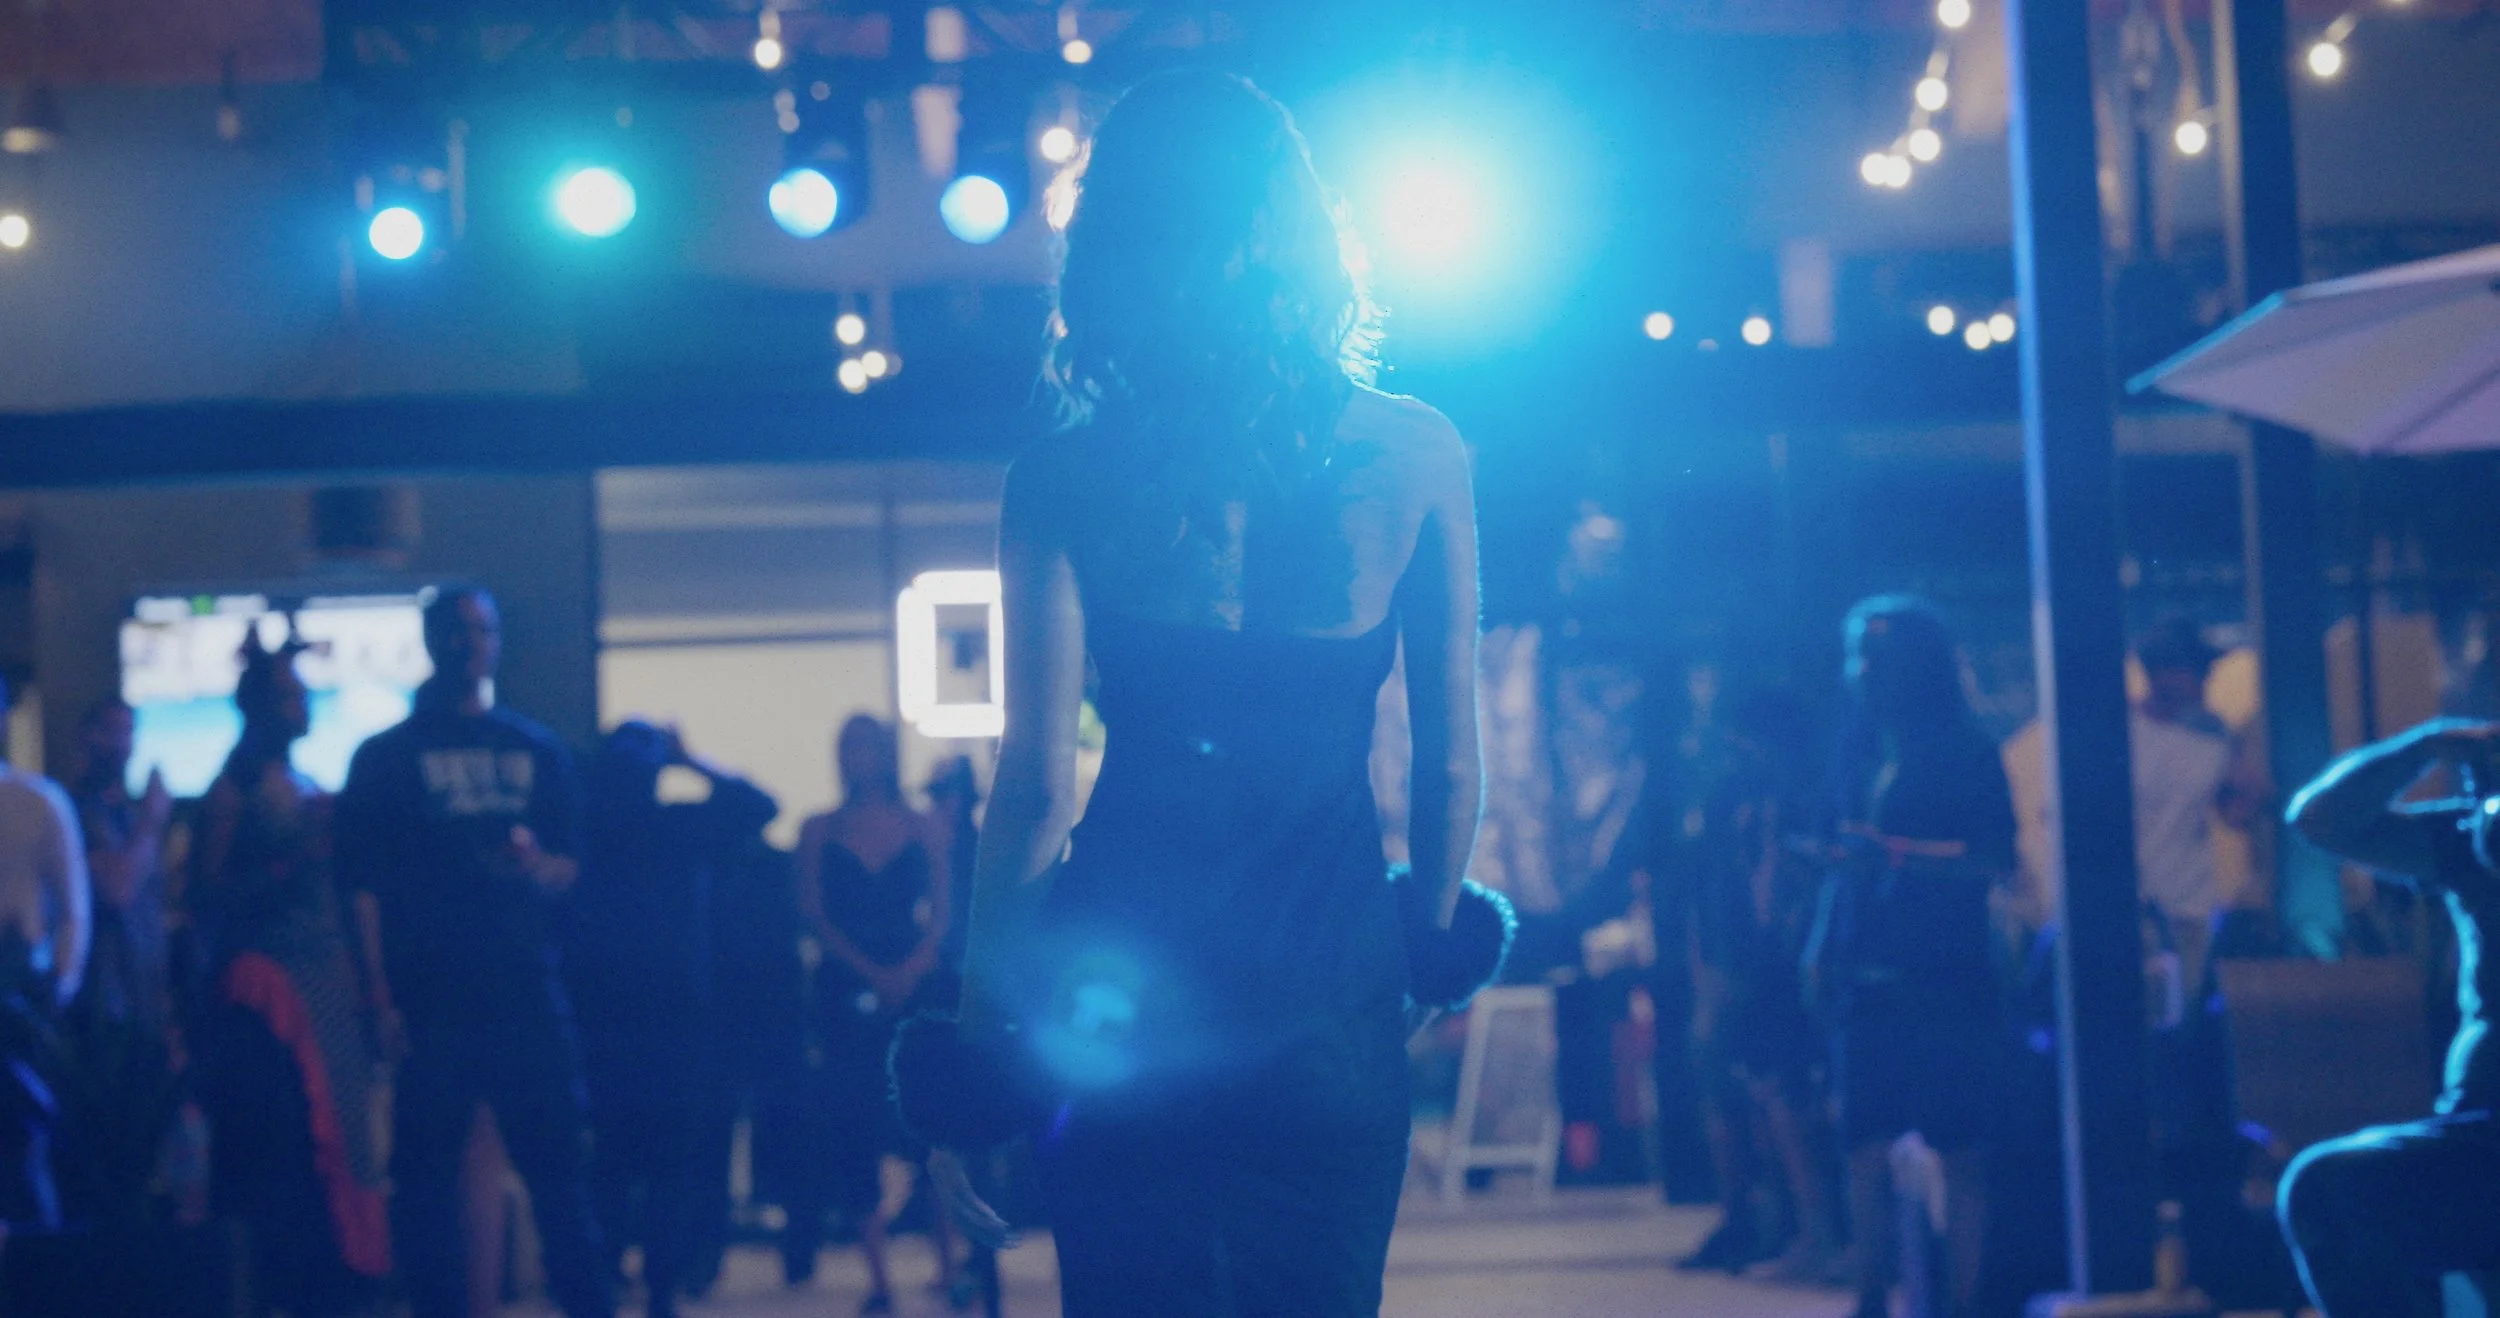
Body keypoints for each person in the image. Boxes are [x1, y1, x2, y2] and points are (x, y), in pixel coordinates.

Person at [901, 71, 1501, 1317]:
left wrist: (978, 1057)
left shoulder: (1062, 478)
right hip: (1328, 992)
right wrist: (1421, 964)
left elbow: (1034, 790)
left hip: (1126, 1010)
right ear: (1300, 230)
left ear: (1113, 243)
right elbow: (1446, 761)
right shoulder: (1418, 451)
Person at [333, 587, 611, 1318]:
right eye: (455, 631)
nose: (470, 644)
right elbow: (363, 889)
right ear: (431, 641)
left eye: (482, 630)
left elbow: (573, 869)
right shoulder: (387, 757)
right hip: (435, 996)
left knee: (560, 1173)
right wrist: (379, 996)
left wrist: (533, 867)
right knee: (423, 1183)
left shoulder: (535, 748)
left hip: (524, 991)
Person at [1808, 597, 2015, 1318]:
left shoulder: (1966, 748)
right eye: (1857, 654)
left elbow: (1994, 857)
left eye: (1878, 655)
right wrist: (1822, 943)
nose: (1863, 671)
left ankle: (1966, 1302)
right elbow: (1841, 858)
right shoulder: (1857, 749)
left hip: (1945, 972)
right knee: (1862, 1142)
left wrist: (1897, 854)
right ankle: (1869, 1298)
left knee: (1958, 1147)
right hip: (1865, 971)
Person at [190, 636, 389, 1313]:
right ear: (258, 708)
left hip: (327, 983)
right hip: (269, 994)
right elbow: (208, 899)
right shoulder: (231, 791)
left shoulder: (302, 780)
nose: (302, 705)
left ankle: (340, 1285)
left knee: (346, 1137)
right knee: (293, 1152)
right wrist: (294, 856)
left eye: (303, 694)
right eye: (288, 696)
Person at [2277, 717, 2500, 1317]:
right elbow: (2318, 820)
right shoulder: (2472, 837)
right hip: (2483, 1139)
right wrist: (2426, 747)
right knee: (2333, 1193)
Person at [570, 721, 775, 1318]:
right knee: (662, 1163)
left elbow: (760, 808)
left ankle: (620, 1279)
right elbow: (757, 806)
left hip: (624, 1020)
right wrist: (693, 758)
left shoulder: (595, 834)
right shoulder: (679, 826)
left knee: (618, 1157)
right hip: (667, 1019)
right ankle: (654, 1285)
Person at [790, 714, 967, 1313]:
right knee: (852, 1127)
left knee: (931, 1123)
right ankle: (880, 1279)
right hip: (844, 988)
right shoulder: (818, 828)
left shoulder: (923, 826)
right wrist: (869, 971)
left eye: (865, 746)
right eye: (847, 747)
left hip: (913, 983)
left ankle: (950, 1266)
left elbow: (941, 912)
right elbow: (814, 912)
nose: (855, 757)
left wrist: (911, 969)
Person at [0, 673, 90, 1251]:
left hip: (17, 999)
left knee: (23, 1143)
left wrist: (57, 988)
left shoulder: (37, 801)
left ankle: (43, 1282)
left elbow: (74, 910)